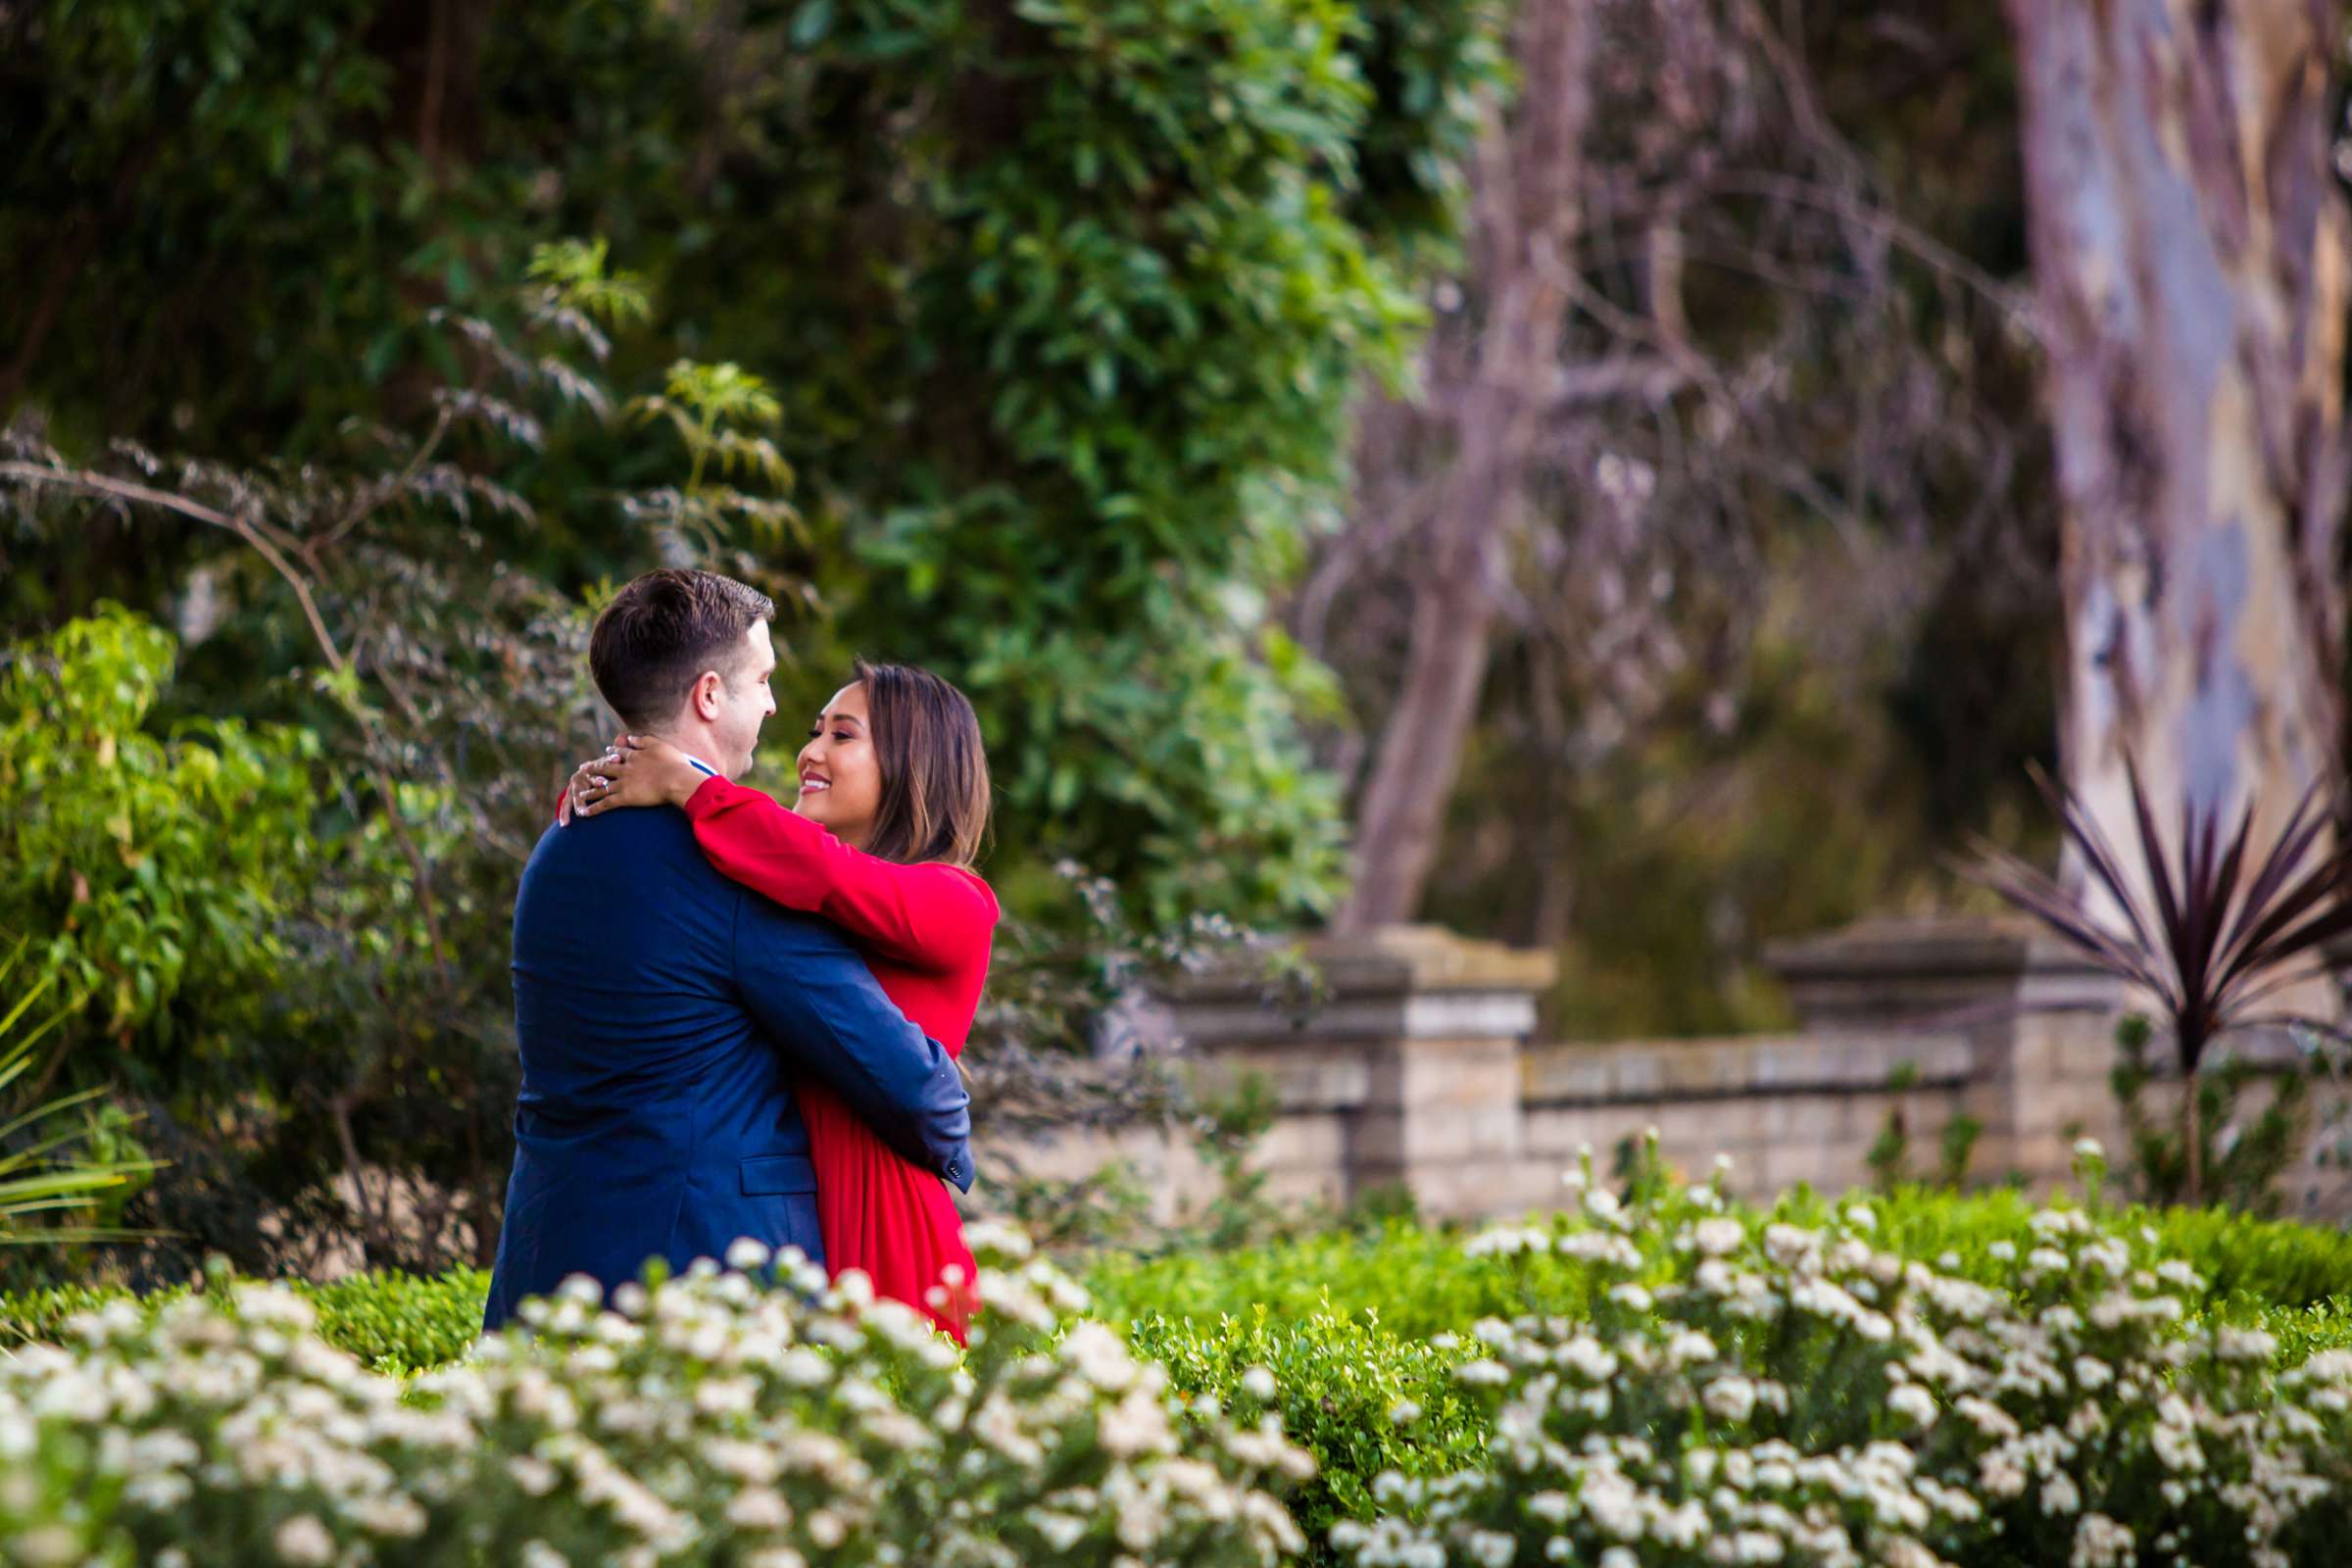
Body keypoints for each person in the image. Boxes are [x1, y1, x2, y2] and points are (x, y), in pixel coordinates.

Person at [482, 570, 973, 1333]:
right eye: (765, 681)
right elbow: (916, 1088)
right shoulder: (730, 873)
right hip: (698, 1282)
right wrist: (950, 1138)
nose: (776, 707)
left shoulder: (563, 841)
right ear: (710, 696)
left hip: (546, 1264)